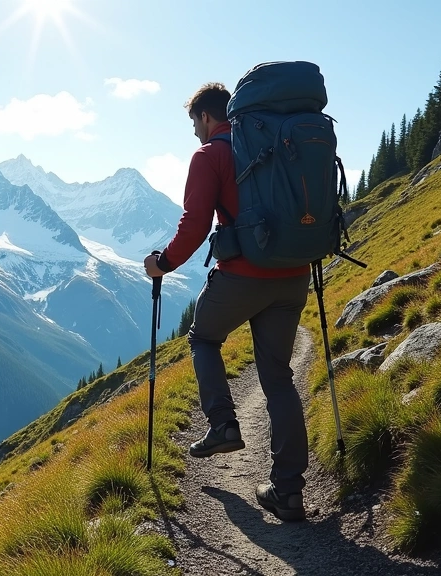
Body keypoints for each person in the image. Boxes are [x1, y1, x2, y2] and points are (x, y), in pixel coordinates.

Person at [143, 82, 312, 522]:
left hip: (243, 275)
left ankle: (222, 424)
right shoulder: (277, 144)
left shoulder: (210, 154)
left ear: (206, 117)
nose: (194, 133)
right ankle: (288, 491)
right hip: (294, 274)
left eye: (193, 123)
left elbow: (196, 222)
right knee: (278, 377)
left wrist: (164, 262)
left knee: (203, 337)